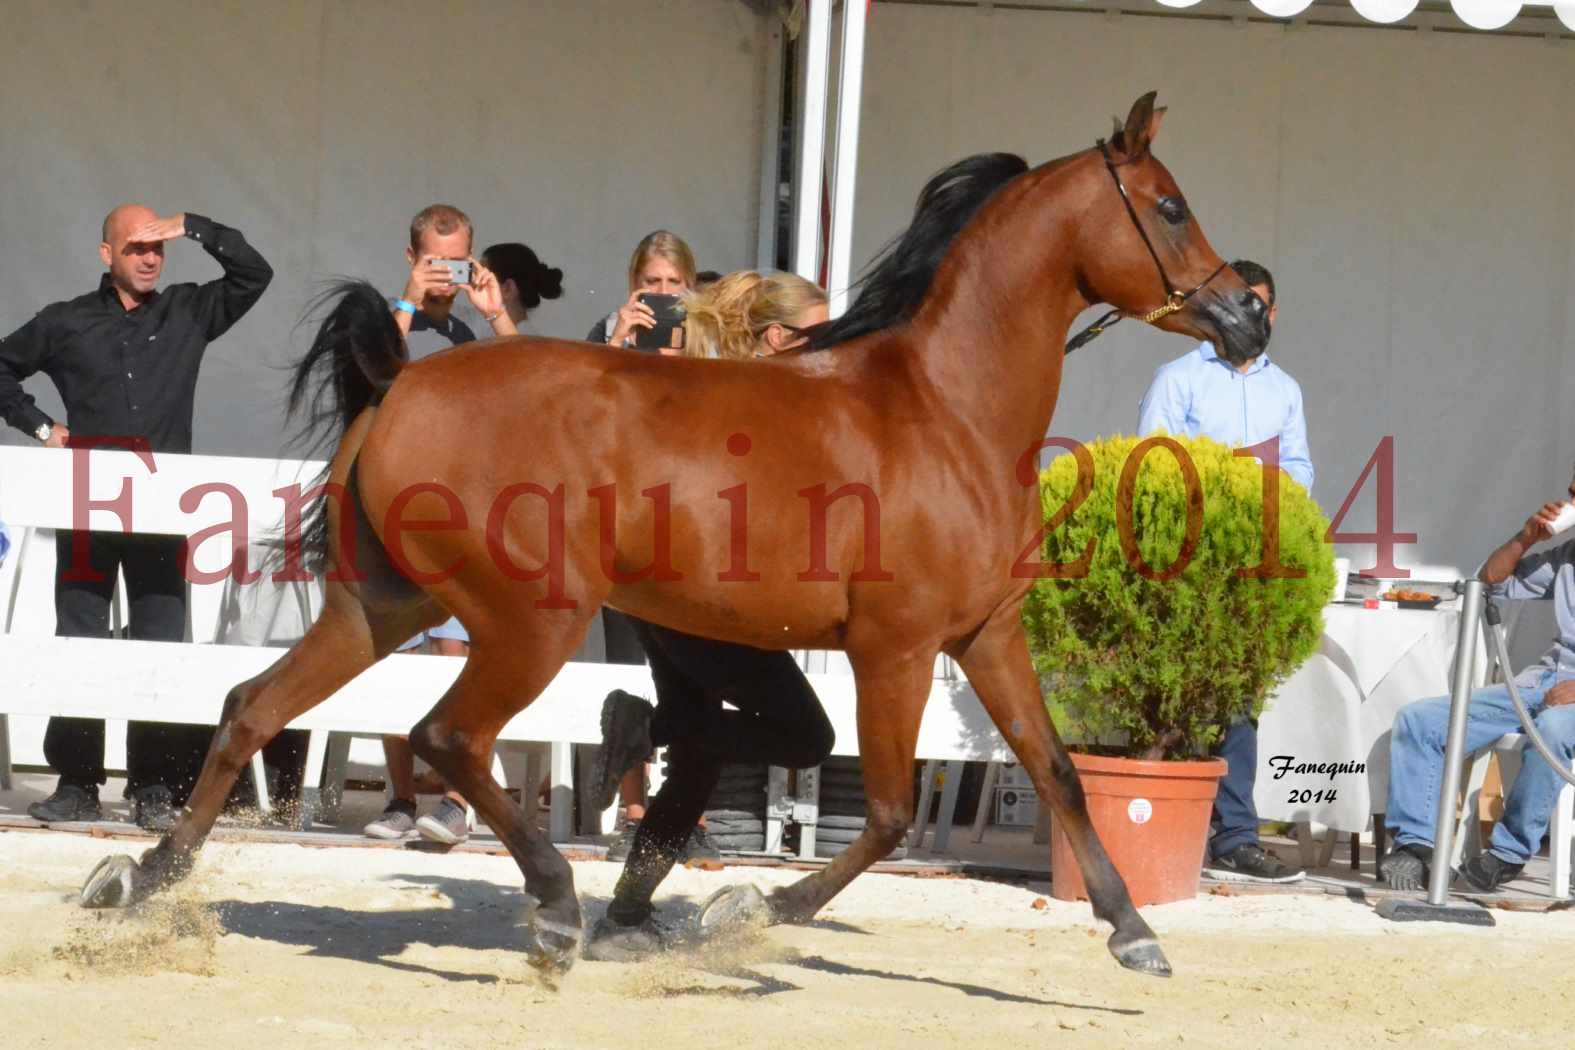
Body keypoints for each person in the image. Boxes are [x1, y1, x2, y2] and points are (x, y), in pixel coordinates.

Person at [586, 271, 834, 961]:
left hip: (677, 599)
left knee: (697, 762)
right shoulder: (756, 398)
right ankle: (649, 725)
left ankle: (626, 916)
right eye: (823, 332)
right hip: (706, 603)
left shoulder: (726, 386)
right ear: (779, 338)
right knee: (804, 737)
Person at [1, 204, 272, 830]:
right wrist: (41, 427)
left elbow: (254, 275)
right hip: (89, 505)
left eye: (158, 248)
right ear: (106, 254)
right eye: (136, 247)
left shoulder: (187, 309)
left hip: (159, 511)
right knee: (81, 637)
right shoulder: (66, 321)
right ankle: (76, 781)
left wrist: (193, 226)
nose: (150, 258)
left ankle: (156, 785)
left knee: (159, 641)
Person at [1136, 258, 1308, 884]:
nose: (1250, 316)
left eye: (1260, 305)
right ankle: (1156, 826)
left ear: (1274, 312)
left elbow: (1300, 468)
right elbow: (1152, 466)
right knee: (1175, 697)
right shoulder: (1178, 378)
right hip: (1185, 562)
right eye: (1240, 304)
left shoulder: (1284, 390)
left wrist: (1270, 497)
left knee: (1239, 701)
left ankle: (1234, 837)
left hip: (1255, 564)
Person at [361, 204, 517, 845]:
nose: (448, 274)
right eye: (435, 260)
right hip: (392, 516)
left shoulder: (472, 336)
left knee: (458, 655)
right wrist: (407, 300)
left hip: (459, 523)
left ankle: (456, 796)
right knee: (391, 656)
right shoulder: (381, 319)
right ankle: (401, 798)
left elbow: (536, 382)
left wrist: (494, 311)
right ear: (410, 258)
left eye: (458, 260)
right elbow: (369, 372)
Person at [1381, 475, 1575, 893]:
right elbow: (1490, 580)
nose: (1572, 502)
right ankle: (1417, 846)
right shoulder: (1566, 556)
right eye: (1574, 493)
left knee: (1554, 730)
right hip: (1543, 682)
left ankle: (1508, 853)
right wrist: (1525, 538)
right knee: (1420, 721)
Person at [584, 230, 701, 859]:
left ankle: (683, 810)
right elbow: (577, 412)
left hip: (690, 519)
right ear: (634, 282)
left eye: (672, 284)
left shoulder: (708, 341)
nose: (661, 295)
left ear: (690, 286)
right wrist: (617, 345)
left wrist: (690, 364)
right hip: (622, 515)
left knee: (692, 670)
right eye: (651, 282)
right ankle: (634, 808)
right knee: (628, 658)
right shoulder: (608, 333)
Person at [480, 241, 564, 336]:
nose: (475, 283)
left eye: (483, 278)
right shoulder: (483, 327)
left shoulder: (528, 343)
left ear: (508, 288)